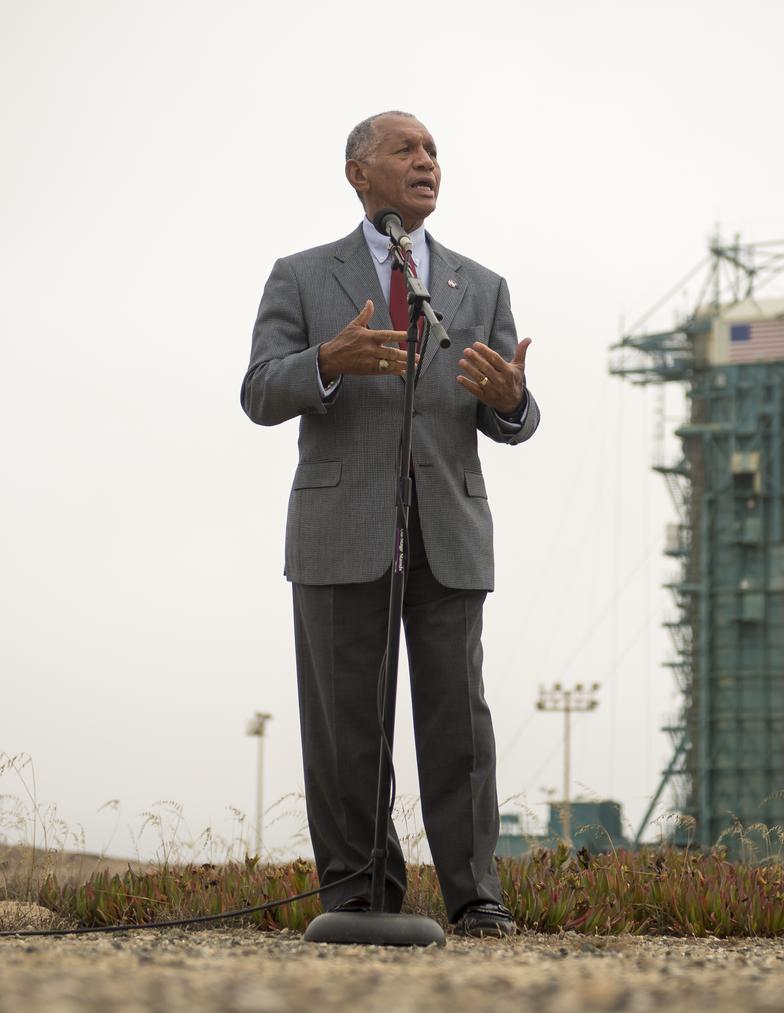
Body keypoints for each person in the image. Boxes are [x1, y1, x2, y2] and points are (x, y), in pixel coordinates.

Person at [241, 110, 539, 937]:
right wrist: (325, 364)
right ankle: (359, 891)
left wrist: (514, 403)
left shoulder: (481, 287)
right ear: (357, 173)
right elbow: (260, 390)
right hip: (341, 529)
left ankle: (476, 897)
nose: (426, 161)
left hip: (448, 531)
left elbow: (514, 410)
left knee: (458, 725)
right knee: (345, 728)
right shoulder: (301, 276)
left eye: (434, 150)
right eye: (406, 149)